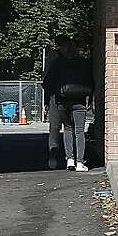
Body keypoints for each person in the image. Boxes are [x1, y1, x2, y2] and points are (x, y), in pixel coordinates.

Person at [44, 33, 95, 172]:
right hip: (79, 99)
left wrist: (49, 99)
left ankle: (69, 159)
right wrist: (90, 98)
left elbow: (48, 82)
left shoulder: (57, 62)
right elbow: (91, 81)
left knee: (66, 128)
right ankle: (80, 162)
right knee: (79, 131)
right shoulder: (84, 62)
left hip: (62, 100)